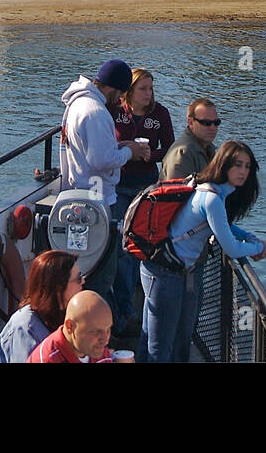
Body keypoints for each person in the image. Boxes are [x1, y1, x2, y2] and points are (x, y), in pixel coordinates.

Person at [140, 140, 266, 363]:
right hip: (164, 272)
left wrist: (246, 235)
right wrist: (258, 247)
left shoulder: (209, 188)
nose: (243, 172)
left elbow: (221, 226)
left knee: (152, 336)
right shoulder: (213, 199)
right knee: (160, 347)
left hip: (160, 266)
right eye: (238, 165)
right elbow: (231, 248)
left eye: (247, 166)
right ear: (224, 164)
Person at [59, 59, 150, 307]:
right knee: (103, 271)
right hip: (96, 202)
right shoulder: (96, 112)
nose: (120, 99)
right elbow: (100, 161)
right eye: (120, 93)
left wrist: (121, 146)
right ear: (111, 87)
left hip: (77, 194)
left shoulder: (77, 104)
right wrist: (130, 153)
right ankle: (106, 327)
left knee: (85, 266)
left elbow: (93, 150)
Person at [110, 68, 174, 334]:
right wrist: (126, 149)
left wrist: (150, 154)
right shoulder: (116, 112)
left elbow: (169, 147)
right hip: (119, 185)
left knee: (143, 244)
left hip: (146, 186)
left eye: (150, 88)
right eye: (142, 89)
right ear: (130, 91)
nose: (148, 94)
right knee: (123, 248)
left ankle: (141, 298)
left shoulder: (160, 114)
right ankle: (125, 310)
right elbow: (105, 146)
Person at [0, 250, 83, 363]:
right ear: (58, 288)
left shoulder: (67, 316)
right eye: (79, 278)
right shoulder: (25, 328)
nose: (83, 281)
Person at [27, 290, 114, 363]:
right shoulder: (48, 359)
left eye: (108, 329)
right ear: (70, 326)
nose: (105, 339)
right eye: (96, 331)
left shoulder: (99, 351)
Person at [159, 97, 221, 182]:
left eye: (216, 122)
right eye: (206, 123)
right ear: (191, 122)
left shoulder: (208, 148)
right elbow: (176, 192)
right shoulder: (182, 153)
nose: (212, 127)